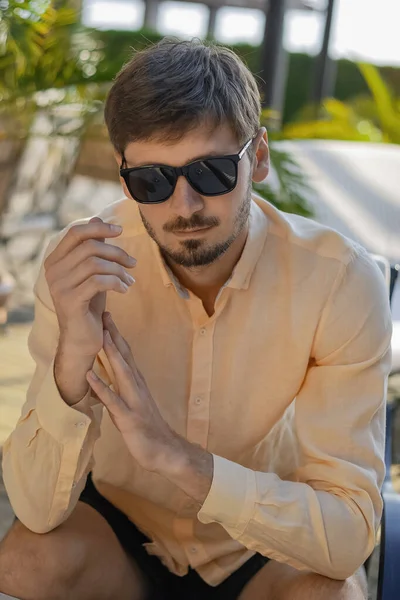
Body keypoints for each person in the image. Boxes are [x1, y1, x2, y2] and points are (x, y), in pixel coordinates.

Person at [0, 38, 392, 600]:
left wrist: (183, 462)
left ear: (257, 158)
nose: (183, 206)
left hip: (262, 546)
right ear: (123, 176)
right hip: (121, 534)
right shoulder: (80, 271)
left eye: (210, 172)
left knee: (332, 596)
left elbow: (351, 533)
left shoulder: (337, 281)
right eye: (152, 182)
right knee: (24, 563)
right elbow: (36, 511)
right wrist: (70, 366)